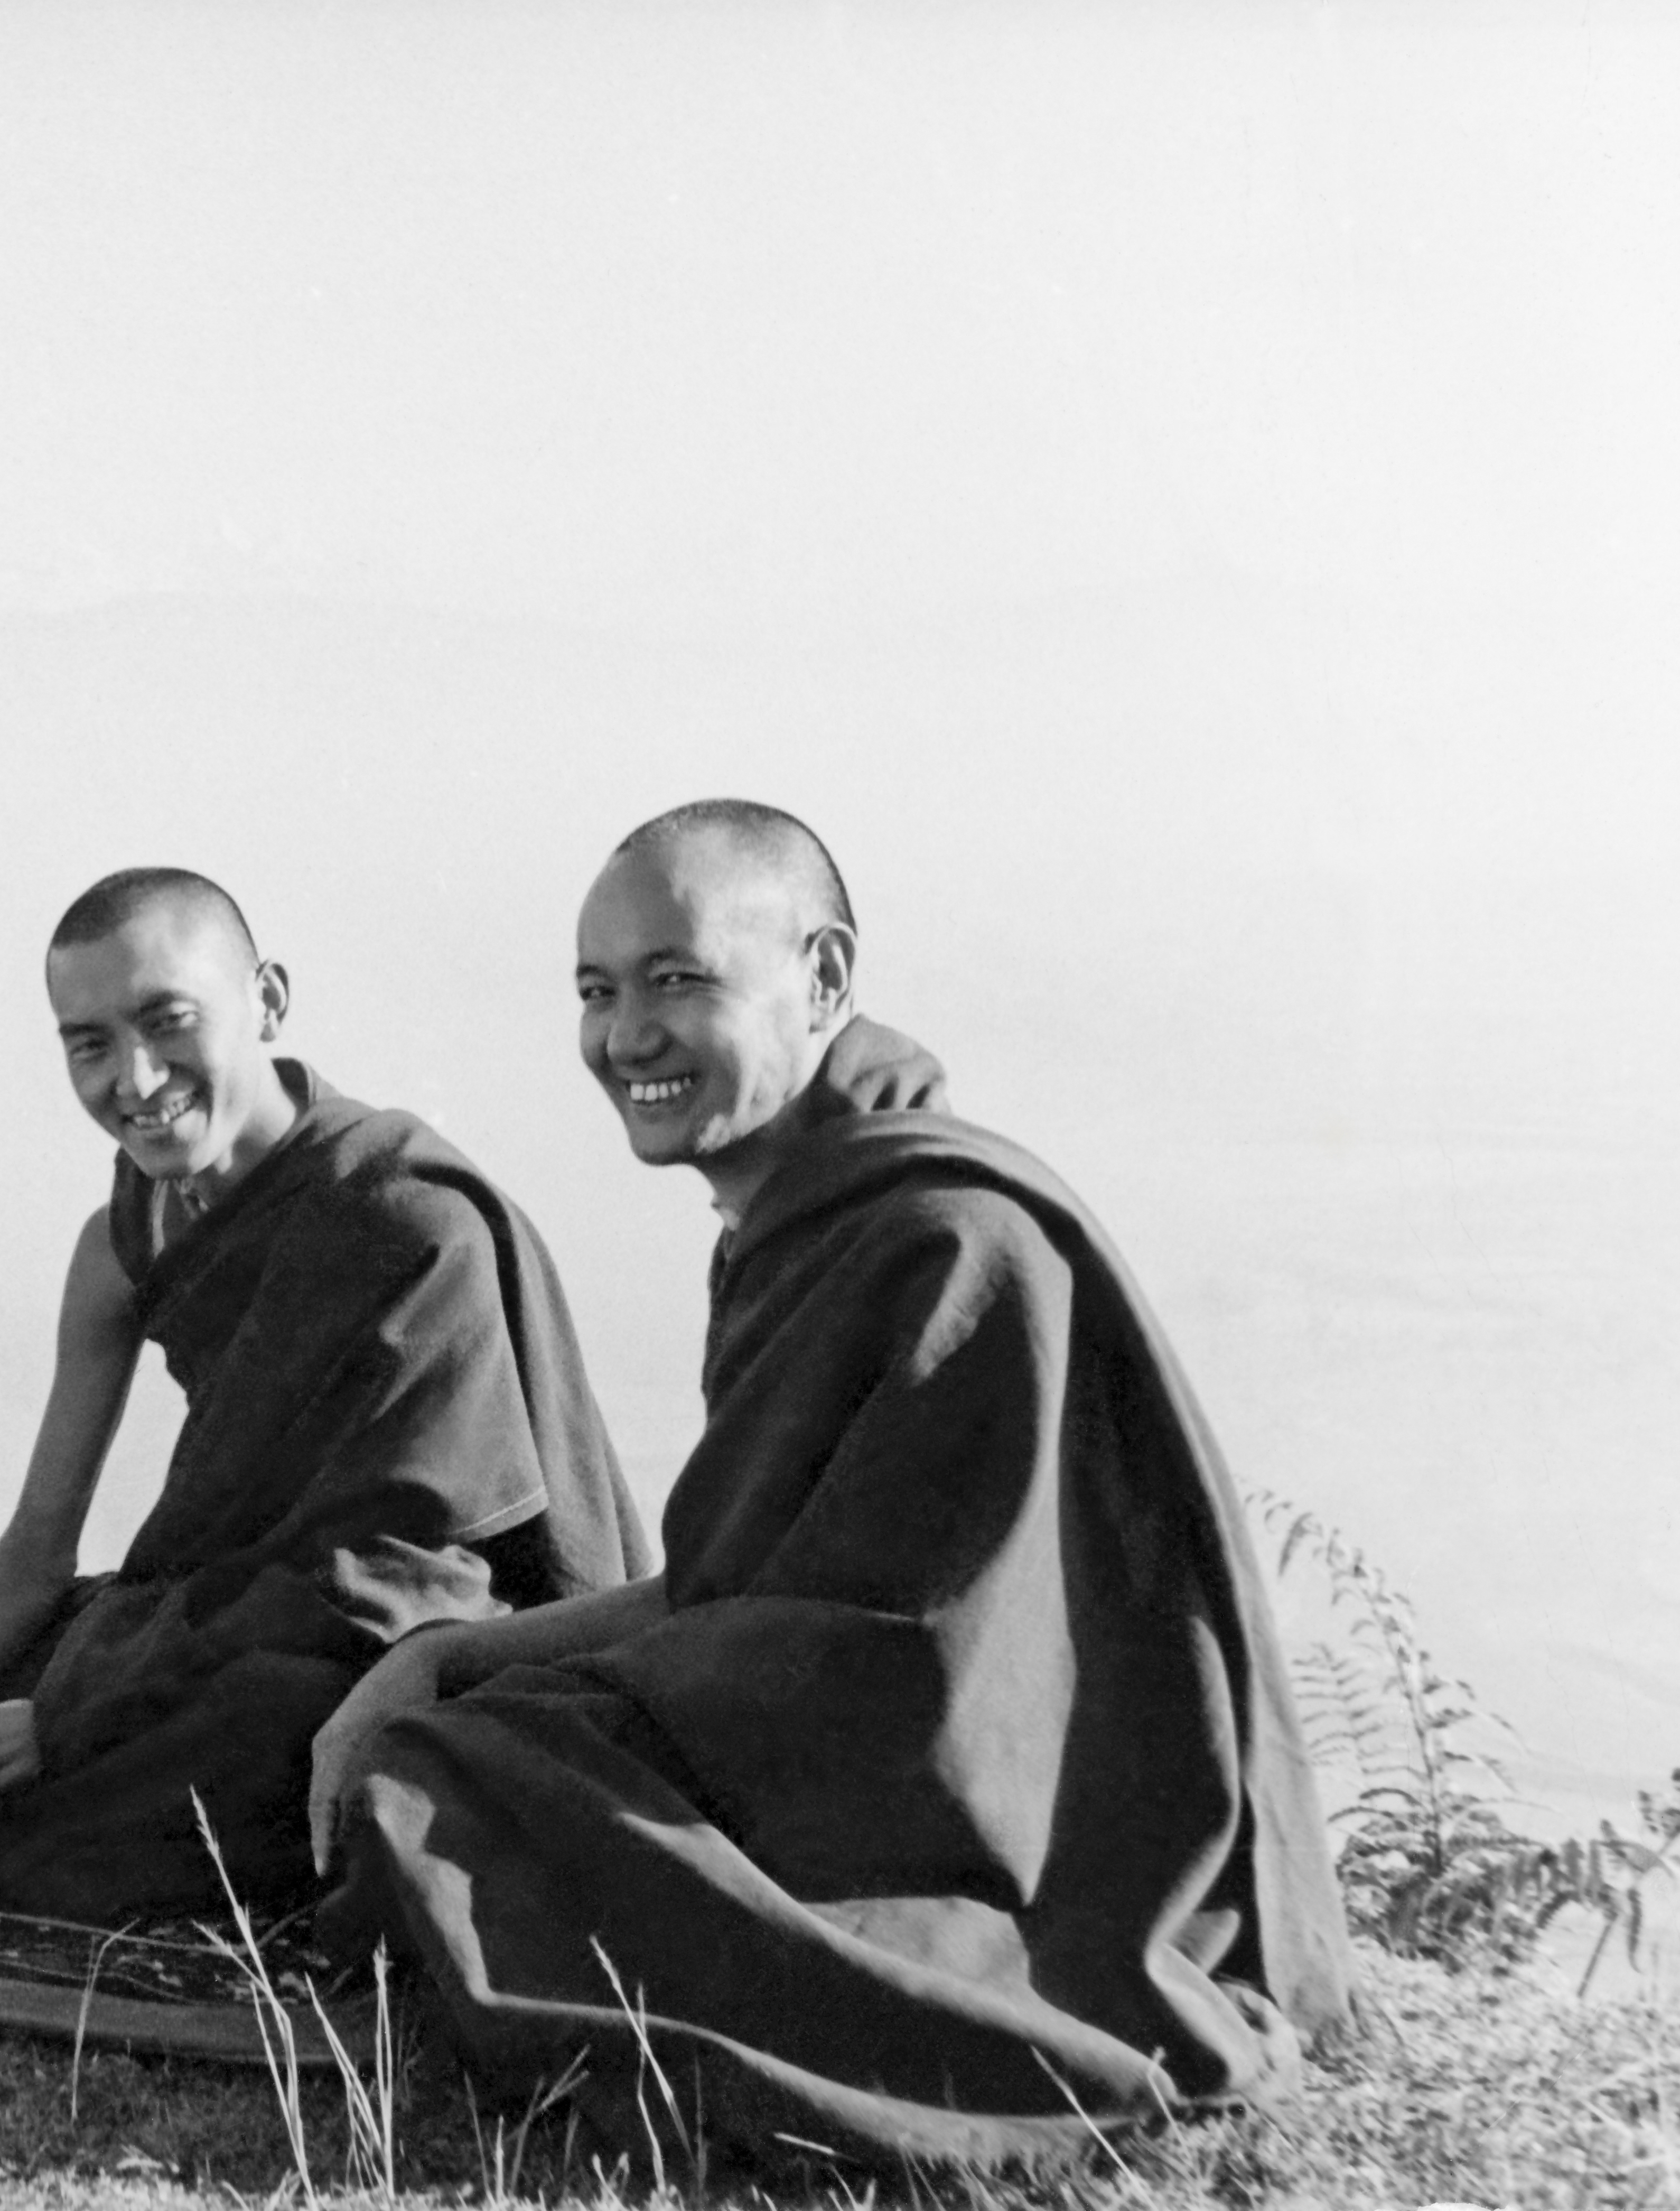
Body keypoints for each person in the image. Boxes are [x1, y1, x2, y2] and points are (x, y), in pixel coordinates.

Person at [307, 800, 1353, 2170]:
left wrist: (504, 1701)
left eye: (677, 980)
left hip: (966, 1812)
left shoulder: (946, 1243)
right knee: (450, 1742)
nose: (626, 1036)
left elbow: (918, 1670)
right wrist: (450, 1654)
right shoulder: (805, 1214)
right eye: (596, 991)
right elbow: (748, 1578)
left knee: (445, 1790)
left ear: (823, 979)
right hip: (852, 1732)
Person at [0, 867, 651, 1920]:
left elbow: (400, 1580)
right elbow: (36, 1542)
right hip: (200, 1620)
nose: (136, 1075)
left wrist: (57, 1720)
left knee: (260, 1740)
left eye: (167, 1022)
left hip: (368, 1645)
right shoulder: (120, 1245)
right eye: (91, 1042)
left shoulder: (404, 1219)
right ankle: (19, 1810)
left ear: (269, 1001)